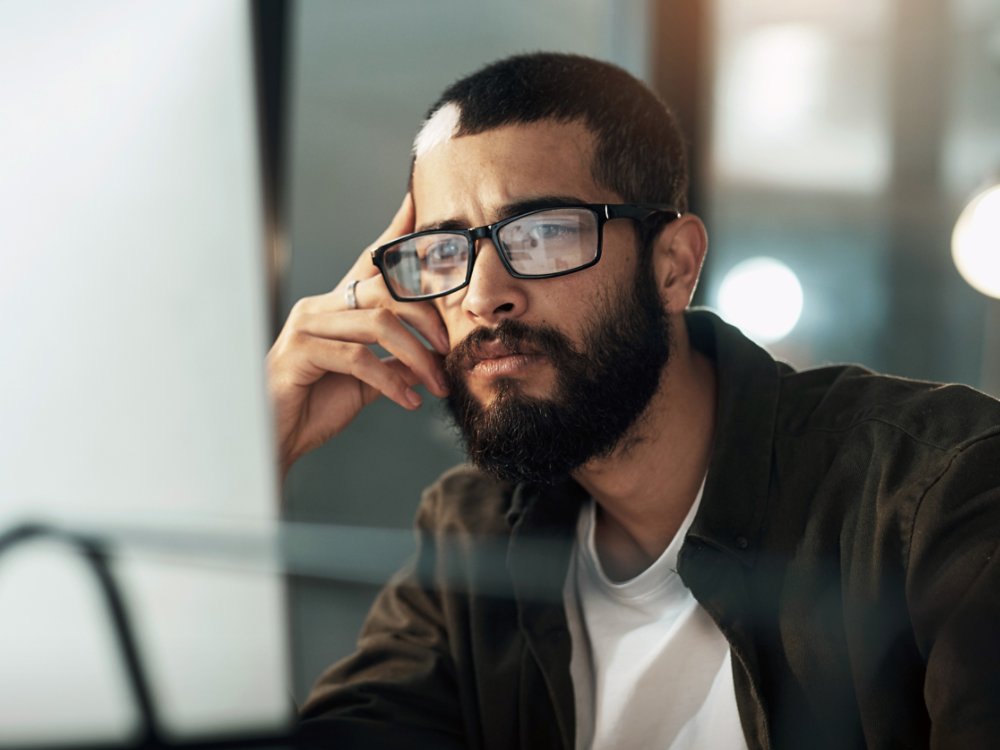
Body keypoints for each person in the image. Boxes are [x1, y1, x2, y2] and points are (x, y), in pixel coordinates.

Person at [268, 53, 1000, 749]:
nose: (484, 296)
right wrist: (261, 445)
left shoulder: (940, 497)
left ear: (673, 267)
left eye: (544, 234)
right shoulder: (475, 533)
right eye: (443, 252)